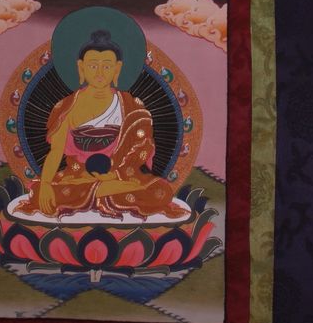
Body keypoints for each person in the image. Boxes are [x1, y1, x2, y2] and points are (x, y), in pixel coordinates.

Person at [16, 30, 187, 220]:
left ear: (117, 69)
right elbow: (55, 152)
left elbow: (140, 148)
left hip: (121, 176)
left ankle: (99, 191)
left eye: (106, 66)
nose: (99, 73)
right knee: (40, 191)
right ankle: (101, 191)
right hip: (78, 176)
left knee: (160, 191)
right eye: (92, 65)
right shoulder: (67, 107)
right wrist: (47, 184)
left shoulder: (129, 106)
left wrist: (114, 174)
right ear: (81, 67)